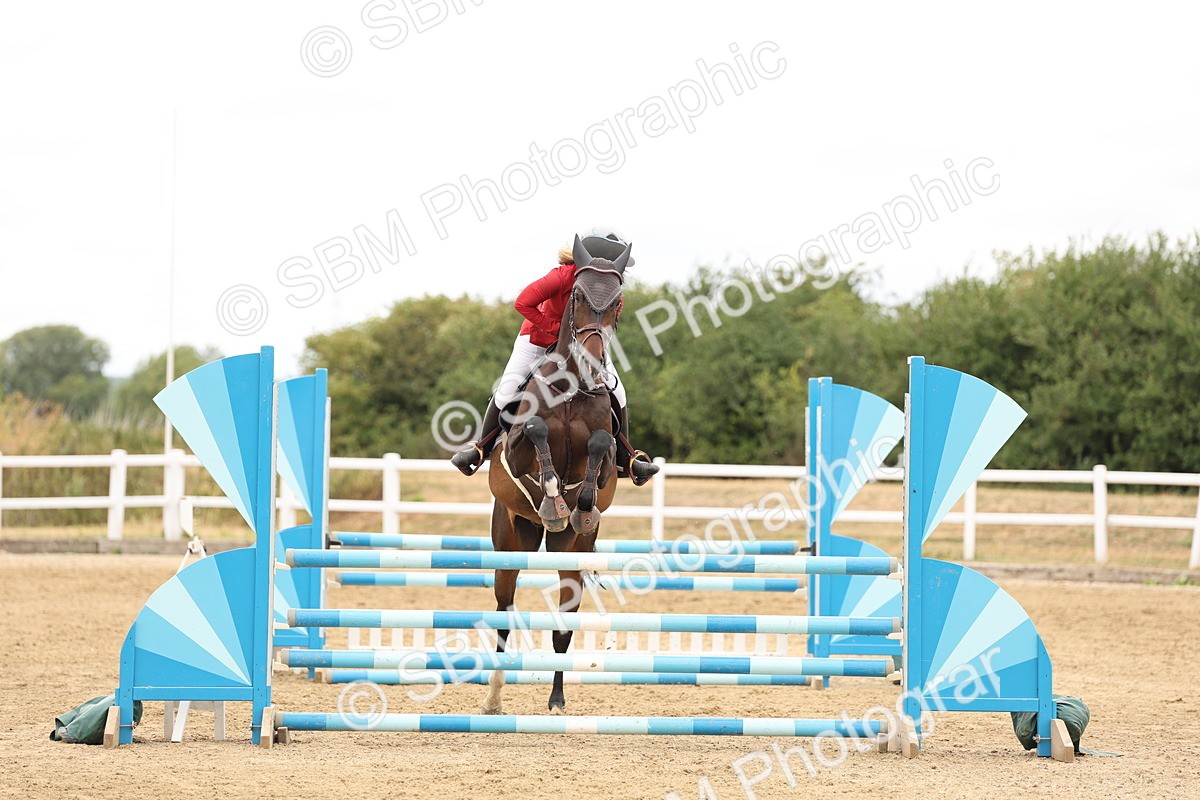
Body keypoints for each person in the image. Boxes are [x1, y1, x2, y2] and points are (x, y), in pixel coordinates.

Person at [449, 227, 659, 485]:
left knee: (619, 391)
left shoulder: (612, 290)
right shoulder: (560, 277)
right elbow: (522, 302)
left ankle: (627, 458)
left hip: (583, 345)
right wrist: (554, 329)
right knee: (507, 390)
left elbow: (607, 322)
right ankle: (480, 448)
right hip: (537, 339)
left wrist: (595, 346)